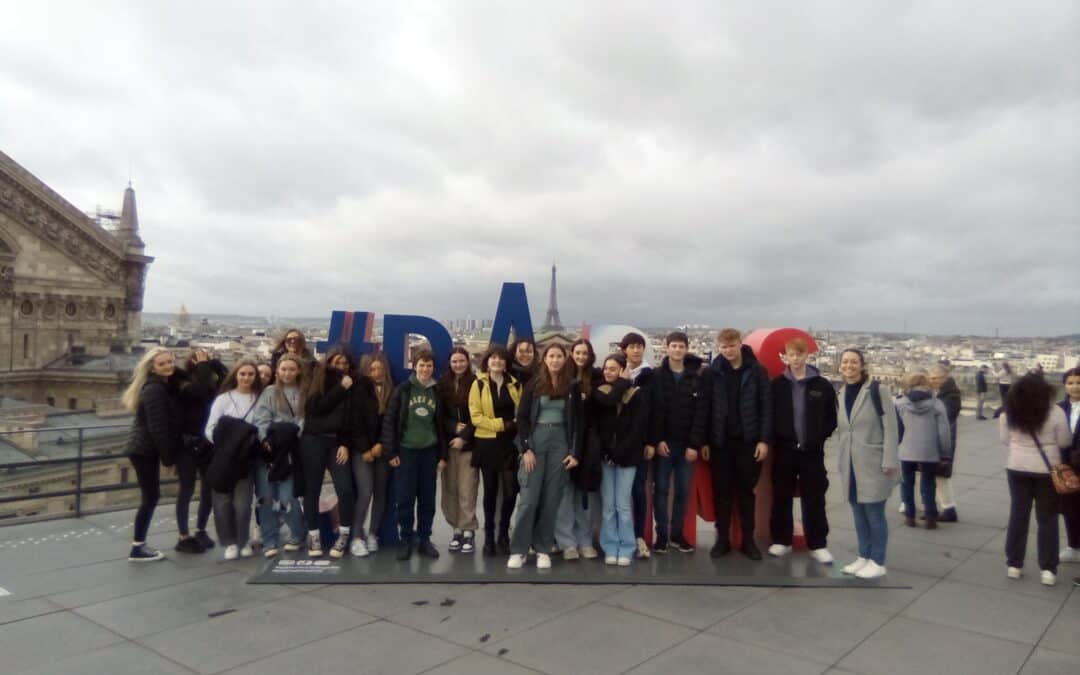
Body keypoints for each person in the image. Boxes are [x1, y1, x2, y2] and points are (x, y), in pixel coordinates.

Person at [508, 344, 583, 569]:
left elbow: (578, 422)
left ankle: (542, 548)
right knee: (529, 499)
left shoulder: (571, 386)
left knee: (552, 500)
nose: (555, 360)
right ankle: (519, 549)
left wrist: (574, 453)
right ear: (545, 359)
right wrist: (526, 449)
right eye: (551, 356)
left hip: (560, 441)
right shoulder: (534, 384)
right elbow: (521, 418)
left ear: (564, 359)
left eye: (559, 356)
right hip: (537, 440)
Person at [768, 337, 838, 563]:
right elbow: (769, 416)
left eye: (799, 354)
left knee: (814, 496)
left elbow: (831, 417)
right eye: (791, 354)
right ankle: (781, 540)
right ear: (785, 357)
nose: (795, 358)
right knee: (781, 496)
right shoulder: (777, 385)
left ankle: (818, 543)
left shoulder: (822, 385)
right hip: (785, 449)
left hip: (812, 450)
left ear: (806, 355)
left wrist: (818, 437)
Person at [705, 329, 771, 561]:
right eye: (723, 347)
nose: (727, 351)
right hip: (721, 443)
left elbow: (766, 407)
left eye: (731, 346)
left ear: (740, 344)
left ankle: (748, 541)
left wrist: (763, 440)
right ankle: (722, 540)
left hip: (748, 442)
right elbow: (706, 408)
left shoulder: (756, 371)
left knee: (746, 493)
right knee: (721, 494)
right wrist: (705, 440)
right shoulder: (713, 372)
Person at [1000, 374, 1071, 586]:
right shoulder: (1055, 412)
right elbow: (1065, 441)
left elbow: (1005, 440)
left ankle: (1014, 564)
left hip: (1017, 467)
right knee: (1047, 518)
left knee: (1018, 514)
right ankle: (1048, 569)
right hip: (1046, 470)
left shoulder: (1008, 413)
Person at [835, 349, 900, 579]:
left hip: (874, 461)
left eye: (854, 361)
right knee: (858, 511)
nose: (849, 365)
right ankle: (864, 556)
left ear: (862, 365)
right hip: (851, 462)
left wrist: (890, 459)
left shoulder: (877, 390)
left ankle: (878, 560)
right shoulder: (842, 393)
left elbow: (892, 427)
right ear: (840, 365)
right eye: (845, 361)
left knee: (874, 512)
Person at [647, 331, 707, 554]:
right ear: (666, 347)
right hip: (664, 443)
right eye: (674, 346)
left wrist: (694, 444)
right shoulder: (656, 376)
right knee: (660, 491)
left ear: (686, 349)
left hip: (686, 446)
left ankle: (677, 534)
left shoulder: (696, 378)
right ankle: (661, 535)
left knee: (683, 491)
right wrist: (657, 439)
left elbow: (701, 413)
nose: (677, 350)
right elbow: (653, 411)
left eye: (681, 346)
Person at [384, 349, 447, 560]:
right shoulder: (403, 390)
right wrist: (390, 451)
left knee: (427, 499)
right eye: (421, 365)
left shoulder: (437, 391)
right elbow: (390, 421)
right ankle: (406, 540)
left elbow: (441, 425)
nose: (425, 369)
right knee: (404, 499)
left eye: (429, 365)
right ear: (414, 366)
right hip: (406, 451)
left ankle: (425, 539)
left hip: (429, 451)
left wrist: (443, 454)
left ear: (433, 368)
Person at [122, 347, 183, 562]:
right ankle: (138, 547)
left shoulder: (156, 386)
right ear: (152, 368)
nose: (168, 366)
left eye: (170, 361)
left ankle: (139, 544)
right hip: (144, 450)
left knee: (150, 497)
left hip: (143, 449)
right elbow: (158, 427)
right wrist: (168, 459)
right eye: (162, 363)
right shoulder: (155, 390)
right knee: (150, 497)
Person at [301, 346, 362, 558]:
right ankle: (314, 535)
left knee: (345, 490)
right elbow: (315, 408)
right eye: (337, 362)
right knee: (312, 490)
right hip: (314, 441)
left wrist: (345, 443)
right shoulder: (318, 379)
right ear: (329, 362)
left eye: (345, 363)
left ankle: (344, 534)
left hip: (337, 442)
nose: (341, 366)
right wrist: (340, 389)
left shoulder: (353, 384)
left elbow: (352, 418)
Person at [205, 358, 264, 561]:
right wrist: (225, 446)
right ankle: (229, 542)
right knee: (222, 502)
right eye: (243, 374)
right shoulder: (223, 399)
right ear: (236, 375)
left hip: (245, 458)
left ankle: (243, 540)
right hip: (224, 456)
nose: (246, 377)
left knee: (243, 503)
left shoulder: (259, 399)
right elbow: (210, 428)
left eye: (250, 374)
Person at [594, 354, 649, 565]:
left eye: (614, 368)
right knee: (608, 505)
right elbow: (598, 427)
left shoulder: (636, 395)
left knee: (623, 505)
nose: (608, 372)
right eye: (606, 368)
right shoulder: (600, 393)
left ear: (623, 371)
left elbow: (638, 428)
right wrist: (608, 452)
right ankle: (610, 545)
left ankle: (626, 546)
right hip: (606, 457)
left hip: (627, 457)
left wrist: (620, 452)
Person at [251, 354, 307, 557]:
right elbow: (260, 419)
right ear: (277, 371)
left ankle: (298, 535)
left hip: (290, 452)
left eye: (292, 369)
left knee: (287, 496)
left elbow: (303, 420)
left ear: (298, 370)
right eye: (283, 369)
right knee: (265, 498)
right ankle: (270, 540)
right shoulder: (269, 392)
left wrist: (289, 436)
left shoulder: (304, 392)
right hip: (268, 453)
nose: (287, 373)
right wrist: (267, 440)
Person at [173, 348, 228, 554]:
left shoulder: (210, 384)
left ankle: (200, 529)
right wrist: (203, 365)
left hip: (206, 443)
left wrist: (214, 364)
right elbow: (201, 390)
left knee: (207, 490)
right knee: (186, 489)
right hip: (188, 444)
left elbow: (226, 379)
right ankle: (183, 535)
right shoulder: (184, 384)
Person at [470, 344, 523, 556]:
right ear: (487, 361)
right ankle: (489, 536)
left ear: (507, 362)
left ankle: (504, 533)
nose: (497, 362)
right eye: (493, 358)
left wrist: (514, 426)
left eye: (501, 359)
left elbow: (522, 413)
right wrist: (502, 424)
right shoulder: (479, 384)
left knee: (511, 491)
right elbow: (476, 416)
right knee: (490, 492)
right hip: (487, 443)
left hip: (510, 445)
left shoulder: (516, 385)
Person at [555, 338, 603, 560]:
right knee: (565, 494)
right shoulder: (562, 377)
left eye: (585, 353)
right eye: (578, 352)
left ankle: (585, 539)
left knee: (583, 494)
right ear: (571, 354)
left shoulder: (597, 376)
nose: (581, 356)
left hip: (588, 442)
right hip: (565, 439)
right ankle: (567, 542)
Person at [897, 372, 952, 530]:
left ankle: (910, 516)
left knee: (906, 483)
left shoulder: (900, 403)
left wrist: (898, 446)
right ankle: (930, 517)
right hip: (929, 449)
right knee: (928, 483)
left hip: (906, 448)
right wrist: (945, 453)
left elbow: (898, 430)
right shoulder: (937, 404)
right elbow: (944, 432)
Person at [438, 347, 479, 553]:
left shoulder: (477, 383)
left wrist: (464, 437)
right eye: (454, 361)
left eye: (461, 361)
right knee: (451, 489)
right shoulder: (442, 384)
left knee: (467, 489)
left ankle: (468, 531)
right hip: (448, 445)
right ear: (449, 363)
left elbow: (479, 415)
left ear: (467, 361)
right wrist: (453, 428)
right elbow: (439, 416)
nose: (458, 365)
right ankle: (456, 529)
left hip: (469, 445)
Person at [620, 331, 656, 559]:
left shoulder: (651, 376)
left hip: (641, 441)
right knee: (617, 495)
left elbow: (657, 411)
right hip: (619, 442)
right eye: (631, 346)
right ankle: (619, 536)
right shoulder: (614, 371)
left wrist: (651, 440)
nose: (635, 350)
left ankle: (639, 536)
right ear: (624, 349)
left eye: (639, 346)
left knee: (638, 491)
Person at [357, 352, 394, 552]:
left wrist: (381, 445)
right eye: (372, 369)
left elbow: (393, 423)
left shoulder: (393, 391)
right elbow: (355, 422)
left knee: (381, 494)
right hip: (363, 452)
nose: (377, 373)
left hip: (383, 450)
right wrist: (366, 448)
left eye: (380, 369)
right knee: (364, 492)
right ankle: (357, 534)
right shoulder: (359, 391)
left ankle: (372, 534)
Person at [928, 363, 962, 522]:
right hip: (941, 439)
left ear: (944, 378)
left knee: (941, 476)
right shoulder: (947, 393)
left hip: (943, 442)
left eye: (935, 378)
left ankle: (949, 509)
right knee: (938, 475)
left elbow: (944, 418)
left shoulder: (950, 396)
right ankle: (941, 507)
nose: (932, 381)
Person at [1058, 368, 1080, 565]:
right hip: (1065, 466)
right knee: (1069, 508)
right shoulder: (1058, 408)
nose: (1074, 386)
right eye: (1070, 382)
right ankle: (1073, 546)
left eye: (1078, 382)